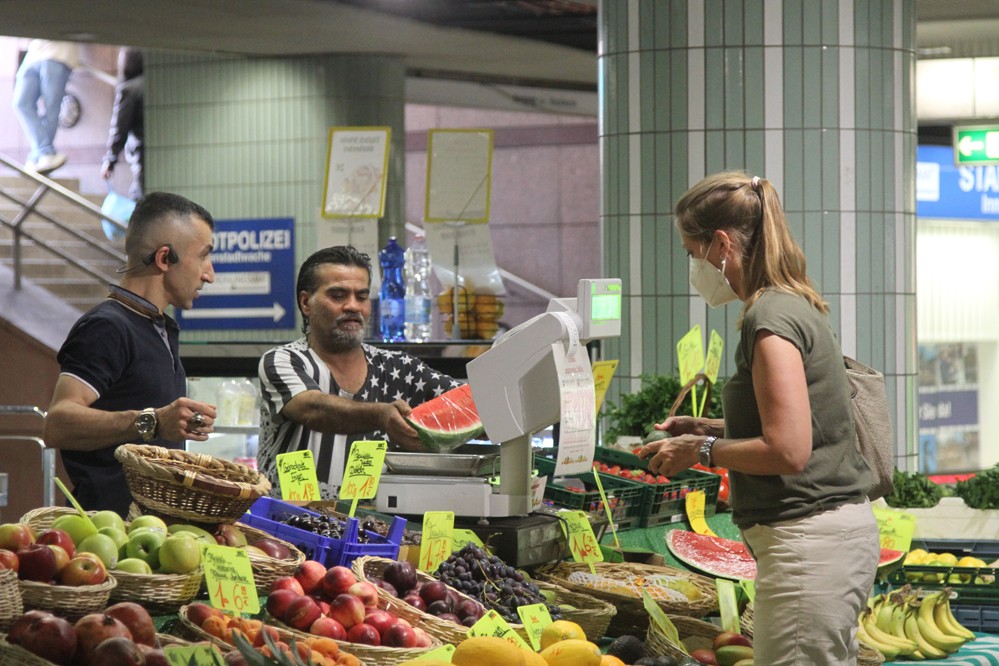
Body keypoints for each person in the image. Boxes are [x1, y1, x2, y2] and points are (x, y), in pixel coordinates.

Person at [639, 171, 879, 665]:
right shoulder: (791, 304)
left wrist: (700, 449)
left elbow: (788, 451)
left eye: (692, 252)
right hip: (825, 540)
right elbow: (804, 422)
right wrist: (707, 427)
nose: (693, 266)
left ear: (721, 244)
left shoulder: (768, 320)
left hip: (808, 544)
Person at [43, 192, 218, 517]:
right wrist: (153, 421)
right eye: (204, 256)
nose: (209, 274)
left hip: (153, 531)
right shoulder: (107, 326)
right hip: (109, 533)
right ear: (164, 258)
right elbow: (58, 423)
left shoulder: (158, 326)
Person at [258, 245, 461, 499]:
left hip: (371, 521)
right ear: (306, 303)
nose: (353, 306)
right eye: (338, 296)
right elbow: (312, 409)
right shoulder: (283, 360)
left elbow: (471, 405)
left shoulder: (399, 367)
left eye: (362, 296)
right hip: (284, 520)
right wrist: (381, 415)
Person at [12, 40, 79, 174]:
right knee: (21, 103)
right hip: (33, 53)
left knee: (51, 107)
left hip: (58, 53)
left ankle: (39, 155)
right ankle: (43, 152)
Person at [101, 47, 144, 200]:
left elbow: (119, 128)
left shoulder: (129, 90)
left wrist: (110, 160)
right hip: (161, 153)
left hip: (142, 155)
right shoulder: (157, 85)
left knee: (141, 199)